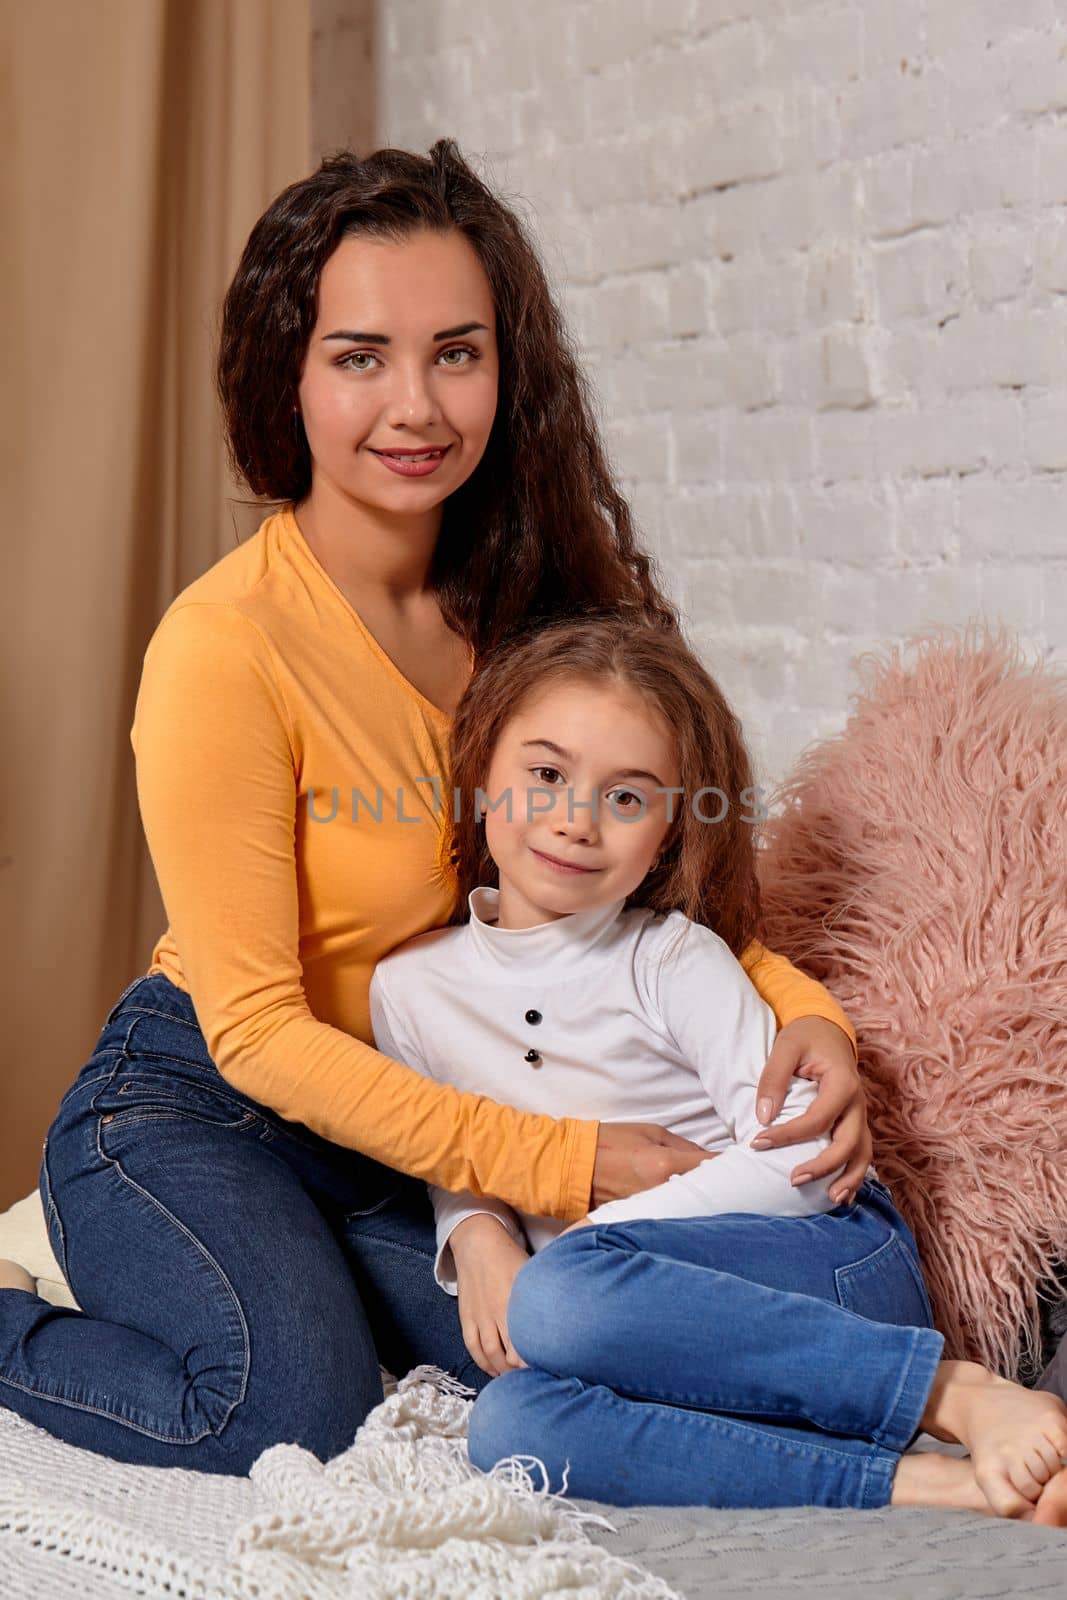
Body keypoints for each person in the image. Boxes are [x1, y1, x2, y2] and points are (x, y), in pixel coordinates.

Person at [0, 140, 871, 1476]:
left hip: (408, 1126)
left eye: (454, 353)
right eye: (359, 356)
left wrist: (807, 1016)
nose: (415, 404)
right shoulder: (223, 646)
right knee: (282, 1413)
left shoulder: (539, 614)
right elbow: (255, 1033)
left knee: (594, 1350)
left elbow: (653, 889)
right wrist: (553, 1163)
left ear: (503, 368)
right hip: (203, 1102)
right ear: (283, 375)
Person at [368, 611, 1067, 1524]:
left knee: (565, 1300)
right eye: (545, 775)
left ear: (666, 832)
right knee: (511, 1426)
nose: (575, 821)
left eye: (627, 798)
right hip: (635, 1327)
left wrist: (583, 1251)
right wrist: (473, 1232)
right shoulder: (407, 988)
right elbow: (448, 1146)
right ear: (481, 777)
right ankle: (932, 1483)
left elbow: (795, 1164)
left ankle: (949, 1394)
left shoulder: (668, 957)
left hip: (824, 1264)